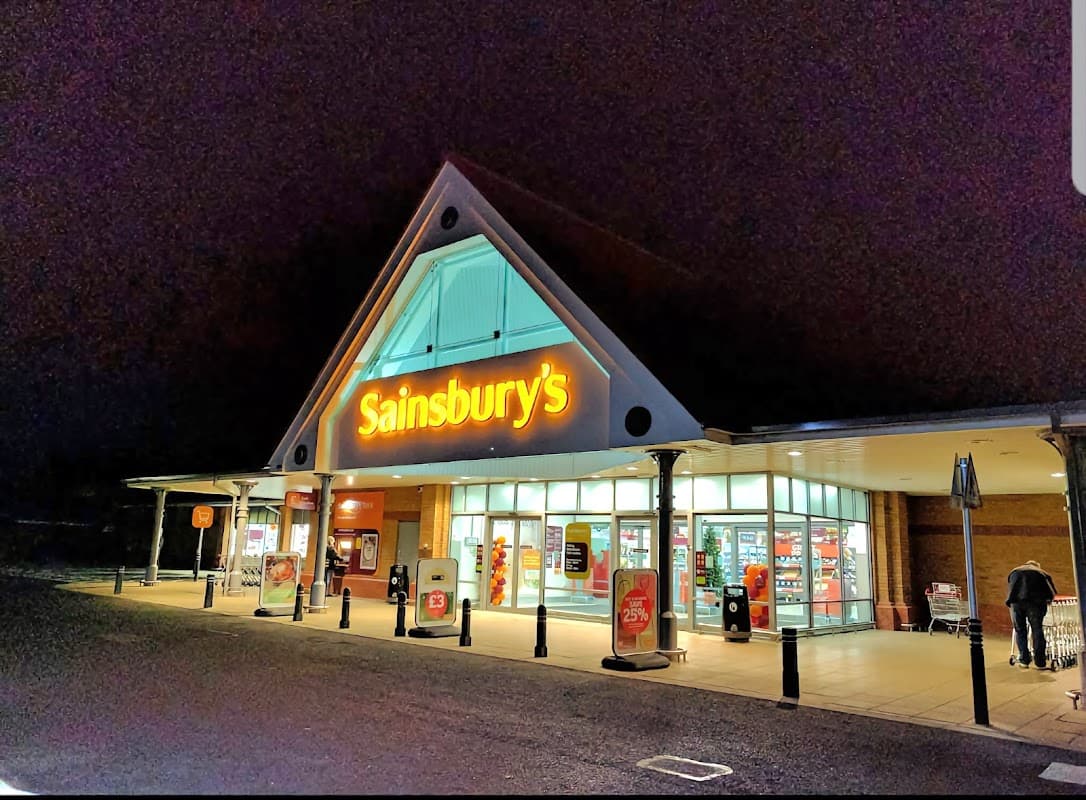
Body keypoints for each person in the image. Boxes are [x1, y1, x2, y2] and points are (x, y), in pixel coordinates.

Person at [1005, 559, 1057, 670]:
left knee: (1020, 630)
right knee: (1037, 630)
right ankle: (1040, 662)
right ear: (1037, 566)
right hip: (1035, 604)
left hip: (1016, 603)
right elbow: (1051, 593)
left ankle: (1024, 660)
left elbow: (1010, 589)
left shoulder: (1014, 572)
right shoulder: (1042, 573)